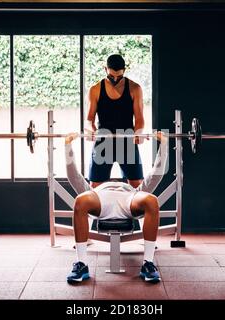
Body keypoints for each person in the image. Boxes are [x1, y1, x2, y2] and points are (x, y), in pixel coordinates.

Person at [64, 131, 168, 284]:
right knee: (80, 201)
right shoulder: (94, 190)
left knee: (152, 200)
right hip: (99, 201)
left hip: (129, 201)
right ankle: (81, 265)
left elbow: (156, 174)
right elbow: (74, 176)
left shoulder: (133, 190)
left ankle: (148, 264)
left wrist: (164, 145)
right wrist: (67, 145)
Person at [86, 54, 146, 189]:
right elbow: (89, 119)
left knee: (137, 186)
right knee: (95, 187)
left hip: (126, 140)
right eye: (111, 76)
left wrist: (139, 132)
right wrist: (91, 130)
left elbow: (140, 118)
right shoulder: (95, 89)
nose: (115, 79)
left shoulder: (135, 88)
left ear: (124, 71)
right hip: (103, 141)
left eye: (118, 76)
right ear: (105, 69)